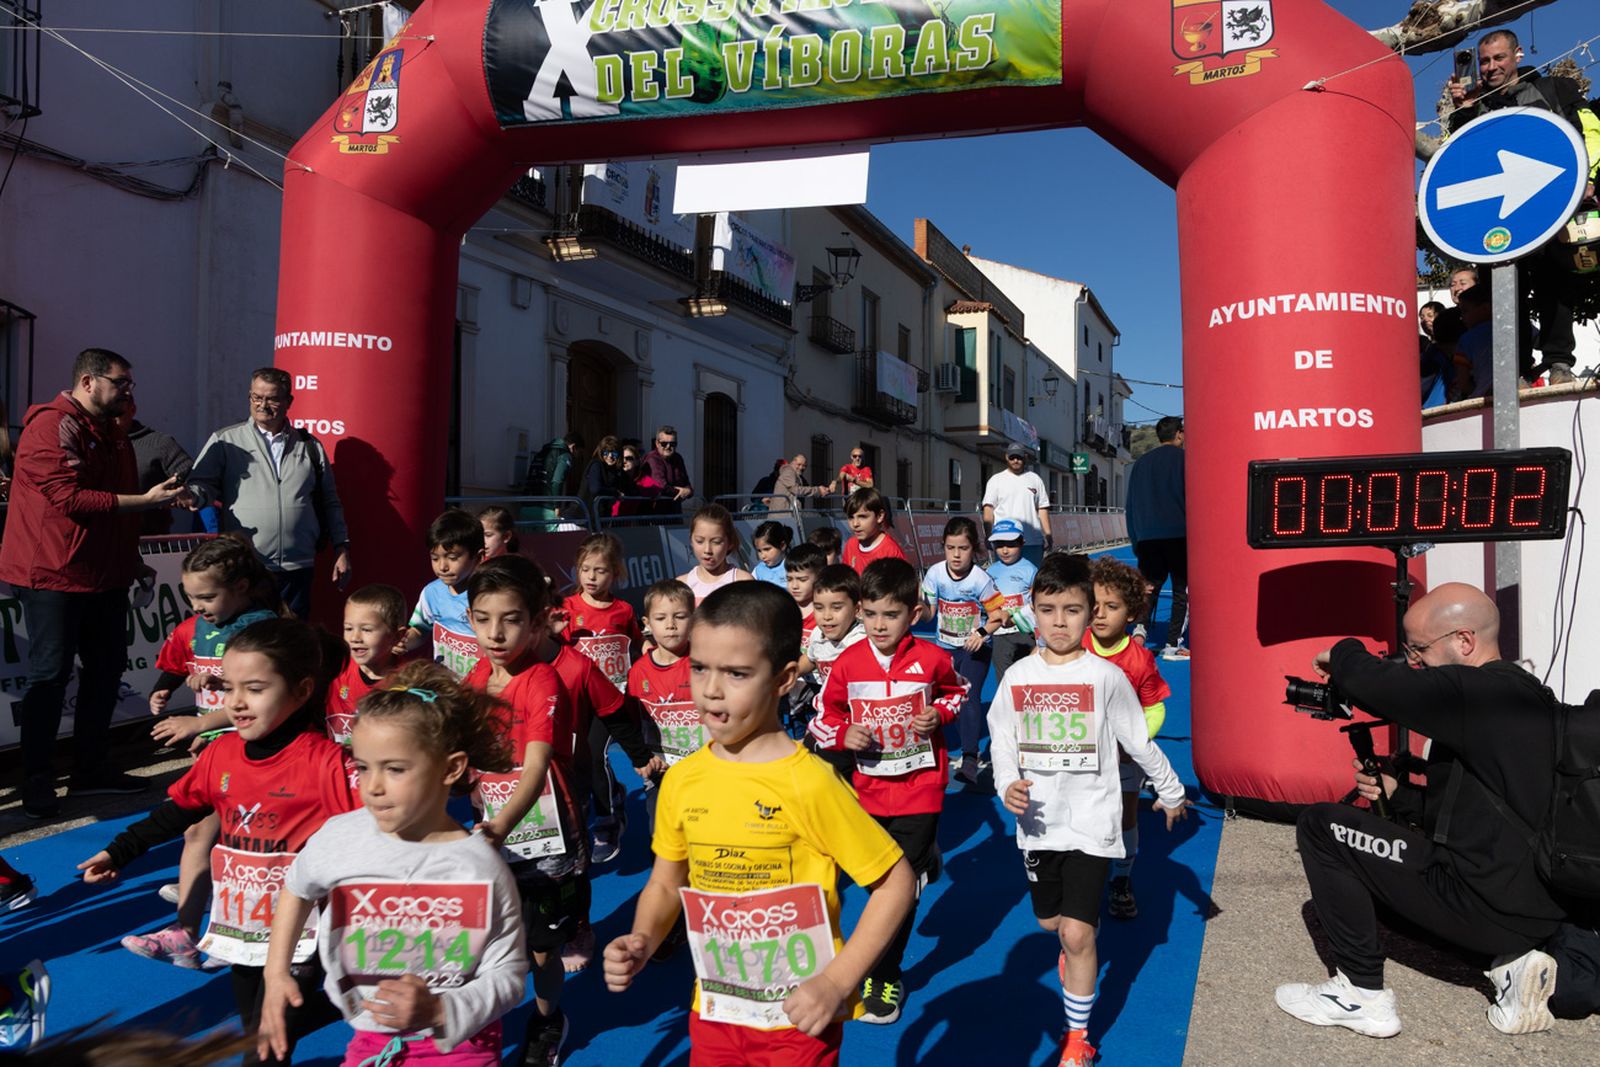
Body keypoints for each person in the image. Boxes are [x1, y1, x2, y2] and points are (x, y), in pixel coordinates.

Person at [603, 582, 915, 1063]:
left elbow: (895, 883)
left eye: (737, 673)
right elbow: (666, 884)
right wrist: (644, 937)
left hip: (797, 1018)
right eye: (700, 667)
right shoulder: (683, 781)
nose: (710, 689)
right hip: (714, 1009)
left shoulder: (810, 783)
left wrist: (836, 982)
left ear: (784, 678)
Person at [1274, 582, 1576, 1039]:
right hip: (1534, 909)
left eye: (1418, 650)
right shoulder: (1528, 695)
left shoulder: (1470, 692)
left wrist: (1344, 651)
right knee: (1381, 854)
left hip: (1482, 908)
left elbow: (1373, 681)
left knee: (1321, 826)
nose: (1413, 664)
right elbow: (1479, 812)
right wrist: (1400, 795)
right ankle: (1514, 963)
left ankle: (1360, 994)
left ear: (1464, 641)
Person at [76, 618, 358, 1065]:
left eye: (256, 689)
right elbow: (179, 811)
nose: (237, 703)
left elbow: (382, 829)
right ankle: (356, 1002)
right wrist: (121, 850)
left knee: (268, 1040)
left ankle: (359, 1000)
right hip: (240, 928)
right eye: (229, 688)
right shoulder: (222, 753)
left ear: (302, 691)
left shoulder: (327, 764)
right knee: (257, 1029)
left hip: (303, 934)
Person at [258, 662, 529, 1067]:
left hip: (458, 1047)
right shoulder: (339, 838)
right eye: (363, 767)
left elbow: (508, 975)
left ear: (451, 768)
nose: (373, 786)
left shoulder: (478, 867)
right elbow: (297, 888)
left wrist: (440, 1012)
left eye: (395, 769)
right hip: (372, 1037)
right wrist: (276, 973)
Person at [986, 554, 1190, 1067]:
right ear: (1032, 611)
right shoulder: (1017, 678)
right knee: (1051, 922)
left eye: (1072, 610)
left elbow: (1138, 742)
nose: (1060, 621)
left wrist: (1171, 790)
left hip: (1093, 821)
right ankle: (1070, 949)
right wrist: (1007, 782)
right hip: (1038, 824)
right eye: (1049, 609)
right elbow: (1002, 738)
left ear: (1087, 612)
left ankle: (1078, 1038)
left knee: (1080, 933)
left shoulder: (1106, 678)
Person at [0, 348, 186, 817]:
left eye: (130, 383)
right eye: (121, 382)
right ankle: (37, 781)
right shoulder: (51, 425)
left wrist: (132, 559)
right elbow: (71, 500)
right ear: (88, 382)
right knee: (49, 677)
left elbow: (111, 512)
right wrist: (145, 500)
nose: (129, 391)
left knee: (106, 673)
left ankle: (90, 770)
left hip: (104, 576)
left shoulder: (113, 433)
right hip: (53, 575)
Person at [811, 558, 967, 1024]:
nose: (880, 625)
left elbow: (956, 691)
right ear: (860, 611)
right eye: (872, 614)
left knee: (896, 890)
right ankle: (925, 862)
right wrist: (844, 735)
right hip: (868, 792)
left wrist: (939, 714)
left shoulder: (932, 658)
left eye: (891, 615)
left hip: (922, 788)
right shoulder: (847, 663)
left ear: (914, 614)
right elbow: (824, 716)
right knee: (871, 880)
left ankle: (885, 972)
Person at [132, 536, 284, 969]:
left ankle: (223, 926)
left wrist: (204, 722)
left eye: (207, 596)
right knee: (198, 833)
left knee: (237, 842)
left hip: (255, 753)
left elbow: (260, 701)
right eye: (190, 597)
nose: (198, 605)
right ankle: (195, 921)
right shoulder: (198, 626)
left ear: (240, 586)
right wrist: (164, 690)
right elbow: (181, 663)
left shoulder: (259, 629)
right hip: (215, 749)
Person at [460, 556, 585, 1066]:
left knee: (541, 952)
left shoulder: (541, 681)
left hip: (546, 838)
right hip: (491, 831)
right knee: (483, 937)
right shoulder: (471, 680)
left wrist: (501, 825)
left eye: (511, 619)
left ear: (536, 624)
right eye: (484, 618)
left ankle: (548, 1017)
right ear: (469, 619)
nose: (495, 632)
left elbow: (534, 769)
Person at [1448, 29, 1600, 385]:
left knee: (1554, 283)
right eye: (1484, 60)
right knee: (1504, 290)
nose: (1489, 67)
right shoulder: (1476, 106)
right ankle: (1514, 368)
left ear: (1517, 55)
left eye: (1498, 58)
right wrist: (1463, 112)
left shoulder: (1553, 89)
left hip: (1552, 206)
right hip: (1498, 218)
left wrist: (1587, 179)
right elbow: (1458, 161)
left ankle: (1559, 363)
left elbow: (1590, 132)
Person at [186, 368, 351, 619]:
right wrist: (192, 496)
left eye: (272, 398)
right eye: (256, 397)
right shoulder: (225, 440)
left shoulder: (310, 446)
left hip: (298, 567)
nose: (263, 405)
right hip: (248, 566)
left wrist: (342, 548)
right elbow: (202, 485)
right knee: (249, 641)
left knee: (292, 644)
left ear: (288, 402)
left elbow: (329, 501)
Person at [1085, 557, 1172, 922]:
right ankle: (1083, 878)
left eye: (1112, 606)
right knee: (1083, 815)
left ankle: (1121, 879)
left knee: (1124, 816)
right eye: (1093, 605)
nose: (1100, 614)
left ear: (1132, 613)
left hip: (1123, 760)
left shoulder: (1139, 660)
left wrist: (1132, 744)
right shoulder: (1074, 645)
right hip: (1080, 756)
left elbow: (1155, 711)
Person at [556, 534, 643, 865]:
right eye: (585, 569)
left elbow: (634, 646)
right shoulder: (567, 609)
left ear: (616, 573)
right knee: (578, 761)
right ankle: (601, 801)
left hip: (614, 697)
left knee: (595, 756)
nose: (592, 577)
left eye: (601, 571)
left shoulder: (623, 611)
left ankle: (608, 819)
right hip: (579, 699)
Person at [920, 517, 1008, 789]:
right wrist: (916, 610)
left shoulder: (981, 580)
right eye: (950, 548)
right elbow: (929, 613)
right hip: (945, 647)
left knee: (969, 698)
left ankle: (970, 758)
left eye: (963, 549)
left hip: (975, 649)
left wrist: (981, 634)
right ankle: (933, 753)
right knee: (944, 701)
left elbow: (1000, 614)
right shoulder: (934, 574)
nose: (956, 555)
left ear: (974, 549)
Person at [1124, 415, 1189, 660]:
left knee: (1148, 588)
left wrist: (1135, 540)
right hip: (1179, 535)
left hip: (1148, 537)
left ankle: (1140, 629)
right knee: (1181, 592)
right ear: (1179, 434)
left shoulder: (1140, 464)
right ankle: (1173, 644)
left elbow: (1130, 505)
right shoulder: (1186, 460)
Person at [397, 509, 485, 679]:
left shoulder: (488, 597)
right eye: (435, 558)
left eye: (452, 558)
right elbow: (421, 630)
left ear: (478, 557)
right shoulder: (431, 592)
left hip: (481, 690)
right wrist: (404, 641)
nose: (442, 566)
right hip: (446, 688)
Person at [625, 579, 696, 780]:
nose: (670, 625)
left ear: (693, 619)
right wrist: (643, 758)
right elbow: (633, 723)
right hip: (660, 772)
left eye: (680, 617)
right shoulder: (638, 672)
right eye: (661, 618)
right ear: (647, 624)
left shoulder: (706, 663)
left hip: (704, 771)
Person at [325, 583, 408, 746]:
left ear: (397, 636)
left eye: (367, 630)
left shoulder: (407, 683)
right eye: (348, 628)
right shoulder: (334, 667)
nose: (355, 637)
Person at [117, 397, 198, 535]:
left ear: (132, 410)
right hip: (102, 543)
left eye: (117, 412)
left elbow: (193, 476)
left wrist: (181, 491)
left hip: (149, 544)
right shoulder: (91, 443)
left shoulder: (159, 444)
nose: (109, 418)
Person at [981, 444, 1053, 565]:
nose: (1015, 460)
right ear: (1006, 457)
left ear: (1025, 457)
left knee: (1033, 580)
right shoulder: (996, 480)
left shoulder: (1035, 479)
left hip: (1033, 541)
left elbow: (1042, 509)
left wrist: (1048, 534)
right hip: (1005, 542)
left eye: (1019, 457)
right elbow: (988, 510)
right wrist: (988, 535)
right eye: (1012, 457)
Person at [678, 504, 753, 605]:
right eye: (699, 541)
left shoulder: (743, 582)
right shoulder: (682, 585)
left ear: (730, 542)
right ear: (691, 541)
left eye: (716, 542)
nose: (707, 550)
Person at [523, 430, 586, 525]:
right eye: (579, 453)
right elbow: (557, 481)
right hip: (546, 509)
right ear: (573, 447)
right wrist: (557, 506)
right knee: (549, 539)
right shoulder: (564, 455)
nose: (578, 457)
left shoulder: (542, 452)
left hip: (526, 506)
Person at [841, 488, 906, 575]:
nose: (855, 523)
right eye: (851, 517)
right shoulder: (850, 545)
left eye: (862, 517)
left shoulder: (891, 552)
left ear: (879, 516)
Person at [641, 424, 693, 514]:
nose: (668, 447)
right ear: (657, 443)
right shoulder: (652, 459)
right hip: (654, 514)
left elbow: (687, 483)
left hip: (675, 513)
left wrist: (688, 491)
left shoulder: (678, 458)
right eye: (664, 443)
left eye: (672, 444)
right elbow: (661, 487)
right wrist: (682, 492)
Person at [765, 453, 836, 512]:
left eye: (804, 466)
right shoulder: (789, 472)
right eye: (799, 464)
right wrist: (818, 490)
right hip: (783, 515)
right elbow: (795, 490)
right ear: (793, 462)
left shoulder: (798, 476)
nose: (801, 467)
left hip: (788, 513)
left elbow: (807, 488)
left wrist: (825, 490)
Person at [578, 435, 625, 514]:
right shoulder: (596, 465)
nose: (610, 456)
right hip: (580, 519)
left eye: (614, 453)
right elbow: (595, 489)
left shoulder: (615, 471)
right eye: (606, 452)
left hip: (597, 518)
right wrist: (615, 492)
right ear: (601, 452)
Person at [751, 521, 794, 587]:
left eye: (767, 549)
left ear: (782, 545)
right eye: (759, 551)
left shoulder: (795, 566)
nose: (762, 556)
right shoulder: (758, 571)